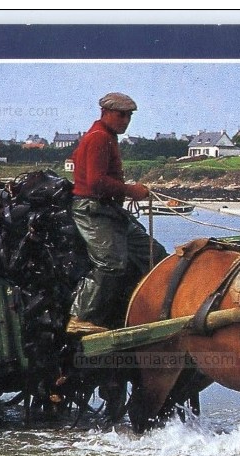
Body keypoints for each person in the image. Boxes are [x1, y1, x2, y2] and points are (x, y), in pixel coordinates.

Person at [65, 92, 168, 335]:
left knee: (154, 254)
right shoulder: (98, 138)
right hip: (93, 211)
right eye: (121, 115)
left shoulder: (108, 137)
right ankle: (79, 316)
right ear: (106, 113)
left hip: (110, 211)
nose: (126, 120)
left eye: (129, 116)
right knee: (110, 263)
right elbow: (96, 183)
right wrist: (132, 190)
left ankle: (147, 308)